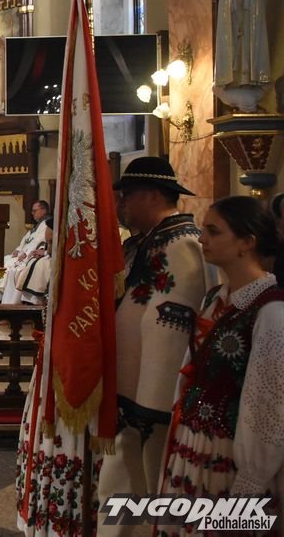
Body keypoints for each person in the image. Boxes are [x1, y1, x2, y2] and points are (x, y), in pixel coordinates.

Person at [97, 157, 216, 536]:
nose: (121, 205)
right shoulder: (145, 242)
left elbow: (176, 328)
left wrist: (159, 397)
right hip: (131, 389)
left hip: (156, 396)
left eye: (127, 196)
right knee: (126, 475)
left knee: (153, 478)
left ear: (151, 196)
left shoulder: (183, 244)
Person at [155, 196, 284, 536]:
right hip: (193, 447)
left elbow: (269, 409)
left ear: (246, 242)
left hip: (228, 459)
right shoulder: (215, 298)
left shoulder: (271, 312)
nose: (202, 239)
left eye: (213, 231)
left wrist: (249, 483)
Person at [213, 0, 271, 113]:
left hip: (248, 29)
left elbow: (258, 6)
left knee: (248, 55)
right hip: (233, 28)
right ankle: (233, 81)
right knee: (234, 55)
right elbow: (224, 5)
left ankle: (248, 81)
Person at [1, 200, 50, 304]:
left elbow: (40, 243)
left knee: (15, 269)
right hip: (24, 254)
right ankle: (1, 297)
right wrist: (18, 250)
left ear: (43, 210)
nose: (32, 213)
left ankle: (13, 303)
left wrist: (25, 254)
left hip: (31, 255)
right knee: (4, 260)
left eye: (35, 211)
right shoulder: (37, 226)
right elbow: (27, 240)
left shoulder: (46, 225)